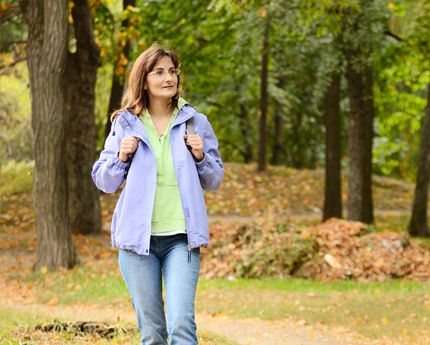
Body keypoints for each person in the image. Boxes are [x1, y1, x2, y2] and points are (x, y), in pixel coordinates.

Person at [91, 43, 224, 345]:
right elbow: (104, 181)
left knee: (181, 325)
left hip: (182, 239)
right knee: (152, 334)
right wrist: (121, 158)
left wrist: (202, 156)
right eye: (160, 72)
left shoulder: (195, 122)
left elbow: (215, 179)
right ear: (144, 80)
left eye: (173, 71)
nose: (169, 78)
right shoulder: (125, 123)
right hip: (138, 244)